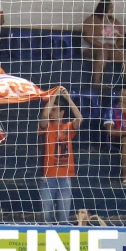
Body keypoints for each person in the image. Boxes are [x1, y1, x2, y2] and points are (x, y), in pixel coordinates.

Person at [38, 88, 84, 224]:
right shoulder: (46, 127)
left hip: (65, 175)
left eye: (55, 109)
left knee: (64, 216)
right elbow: (44, 116)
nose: (51, 112)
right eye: (51, 109)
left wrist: (68, 98)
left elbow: (80, 118)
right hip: (49, 175)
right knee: (46, 216)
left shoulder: (68, 127)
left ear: (62, 113)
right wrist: (53, 96)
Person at [82, 0, 126, 90]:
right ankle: (96, 82)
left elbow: (122, 38)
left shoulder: (115, 22)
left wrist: (114, 46)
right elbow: (87, 37)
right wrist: (101, 45)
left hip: (111, 47)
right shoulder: (91, 20)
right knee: (103, 52)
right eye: (110, 8)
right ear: (103, 8)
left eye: (112, 8)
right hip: (92, 47)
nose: (112, 10)